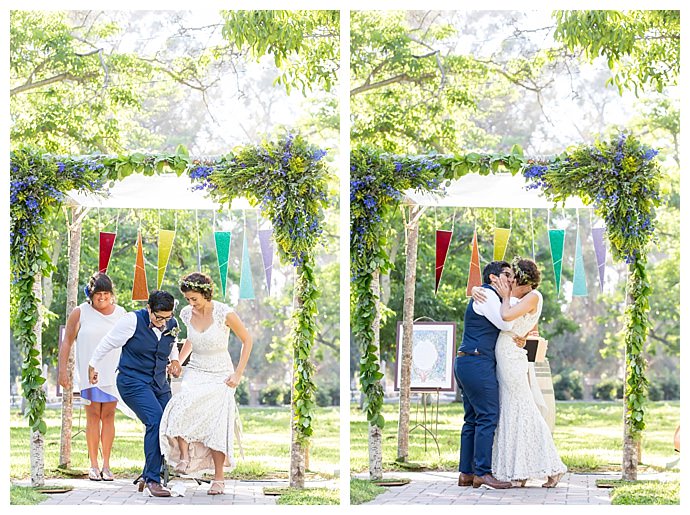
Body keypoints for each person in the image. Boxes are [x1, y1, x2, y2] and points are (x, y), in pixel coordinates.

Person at [472, 257, 567, 487]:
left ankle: (553, 467)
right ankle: (520, 470)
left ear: (523, 279)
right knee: (511, 410)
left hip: (512, 357)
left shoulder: (533, 296)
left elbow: (506, 317)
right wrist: (477, 288)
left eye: (513, 278)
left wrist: (505, 297)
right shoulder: (520, 298)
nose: (510, 282)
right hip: (506, 353)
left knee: (524, 409)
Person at [160, 272, 253, 496]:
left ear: (205, 293)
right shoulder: (185, 313)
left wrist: (238, 374)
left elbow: (247, 340)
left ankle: (219, 478)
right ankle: (184, 456)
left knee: (216, 425)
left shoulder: (224, 312)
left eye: (194, 299)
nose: (191, 303)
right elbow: (192, 339)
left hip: (221, 374)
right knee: (181, 403)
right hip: (197, 371)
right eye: (188, 299)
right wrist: (178, 362)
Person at [89, 290, 181, 497]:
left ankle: (150, 473)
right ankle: (152, 479)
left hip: (159, 383)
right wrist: (93, 365)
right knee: (155, 420)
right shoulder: (131, 320)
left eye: (168, 317)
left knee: (169, 421)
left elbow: (171, 345)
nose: (163, 322)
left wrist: (175, 360)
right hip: (132, 381)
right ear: (149, 309)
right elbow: (107, 342)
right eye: (159, 317)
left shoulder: (171, 324)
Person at [57, 273, 130, 481]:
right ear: (91, 294)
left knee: (108, 416)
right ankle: (93, 465)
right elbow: (67, 342)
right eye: (98, 294)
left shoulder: (122, 314)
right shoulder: (80, 312)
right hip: (89, 374)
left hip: (112, 374)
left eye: (106, 294)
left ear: (112, 294)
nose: (102, 298)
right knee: (93, 417)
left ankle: (106, 465)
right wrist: (63, 371)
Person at [454, 260, 515, 490]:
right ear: (493, 278)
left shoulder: (487, 295)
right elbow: (505, 324)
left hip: (466, 361)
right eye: (506, 275)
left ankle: (466, 474)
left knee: (471, 419)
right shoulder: (488, 296)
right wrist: (507, 298)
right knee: (488, 416)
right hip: (477, 362)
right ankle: (482, 473)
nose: (510, 280)